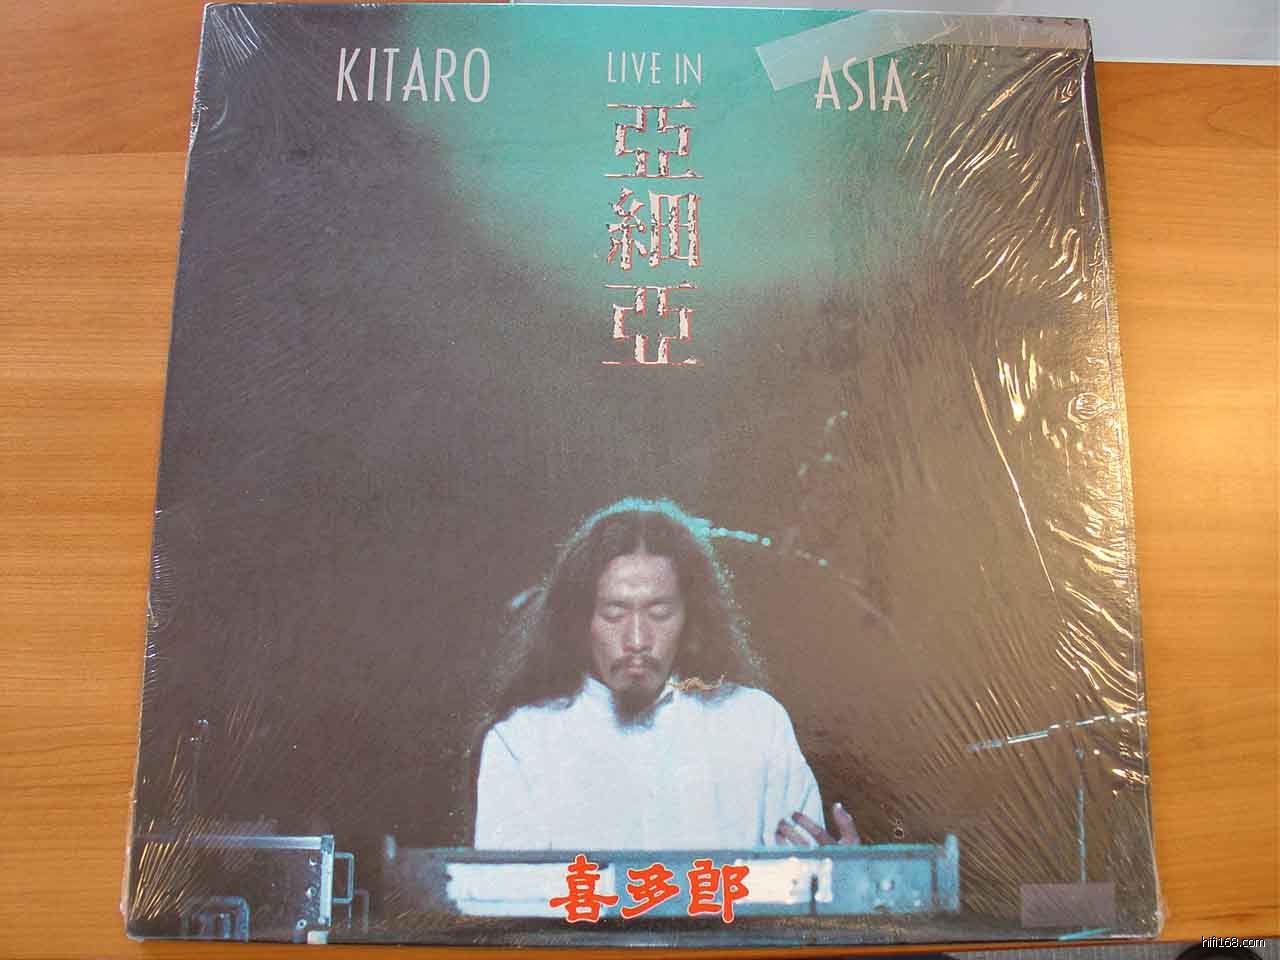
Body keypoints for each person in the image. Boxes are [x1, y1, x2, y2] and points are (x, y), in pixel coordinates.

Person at [473, 497, 859, 850]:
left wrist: (847, 881)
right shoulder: (522, 740)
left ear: (691, 615)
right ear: (580, 618)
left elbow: (802, 882)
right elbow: (500, 896)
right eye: (614, 613)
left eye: (659, 613)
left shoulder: (757, 723)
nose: (637, 640)